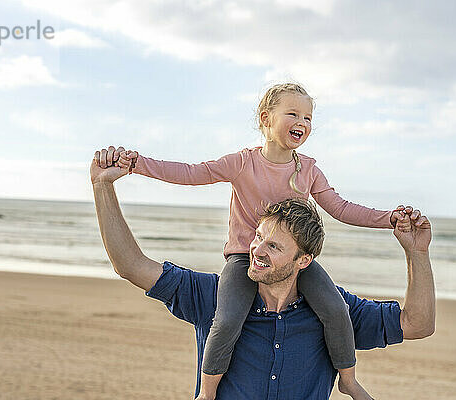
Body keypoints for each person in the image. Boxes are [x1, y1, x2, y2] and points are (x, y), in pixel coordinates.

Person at [112, 83, 417, 399]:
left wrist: (389, 219)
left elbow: (341, 208)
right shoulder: (242, 163)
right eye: (293, 114)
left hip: (291, 259)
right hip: (246, 258)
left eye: (308, 118)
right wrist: (137, 164)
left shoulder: (309, 169)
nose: (302, 122)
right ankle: (207, 392)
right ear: (266, 119)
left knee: (336, 310)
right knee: (228, 319)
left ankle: (349, 382)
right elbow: (190, 173)